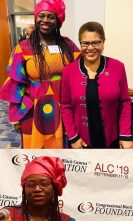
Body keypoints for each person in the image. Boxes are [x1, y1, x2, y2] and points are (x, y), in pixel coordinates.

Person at [0, 0, 80, 148]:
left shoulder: (68, 46)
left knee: (62, 151)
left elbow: (80, 74)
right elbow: (16, 84)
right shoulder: (23, 48)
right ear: (36, 18)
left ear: (58, 20)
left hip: (63, 109)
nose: (45, 20)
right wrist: (15, 117)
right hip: (32, 109)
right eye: (41, 16)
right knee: (35, 152)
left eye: (51, 17)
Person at [61, 22, 133, 149]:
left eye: (96, 42)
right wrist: (73, 137)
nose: (90, 48)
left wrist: (125, 135)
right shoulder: (68, 71)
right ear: (80, 43)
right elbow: (66, 106)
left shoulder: (118, 67)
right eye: (85, 43)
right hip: (81, 142)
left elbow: (125, 103)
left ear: (103, 42)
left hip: (112, 139)